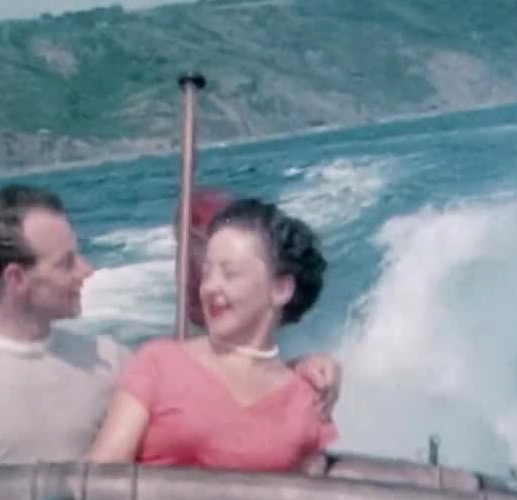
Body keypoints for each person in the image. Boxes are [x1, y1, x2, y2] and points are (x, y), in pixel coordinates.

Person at [0, 184, 340, 471]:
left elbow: (210, 379)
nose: (87, 270)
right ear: (16, 280)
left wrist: (299, 369)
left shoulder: (111, 360)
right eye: (67, 262)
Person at [86, 197, 337, 473]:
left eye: (230, 274)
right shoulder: (158, 364)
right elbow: (99, 477)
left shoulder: (308, 397)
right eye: (207, 273)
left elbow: (310, 492)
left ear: (280, 290)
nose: (210, 287)